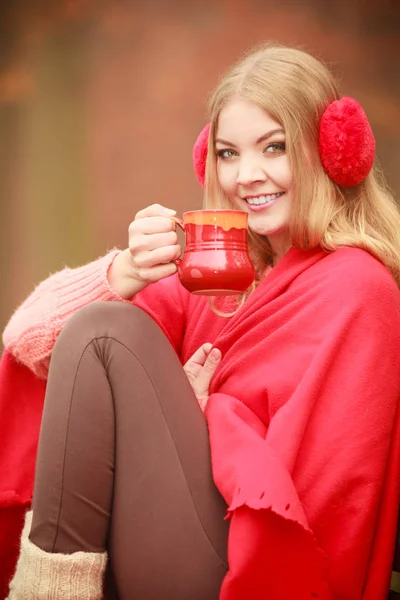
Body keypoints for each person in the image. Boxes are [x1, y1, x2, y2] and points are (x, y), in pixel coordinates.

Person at [4, 43, 400, 600]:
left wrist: (198, 418)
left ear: (334, 150)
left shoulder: (360, 289)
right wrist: (124, 271)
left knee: (107, 334)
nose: (248, 175)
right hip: (163, 529)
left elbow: (323, 496)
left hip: (255, 562)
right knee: (103, 327)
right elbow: (26, 340)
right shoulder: (215, 272)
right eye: (228, 153)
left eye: (275, 147)